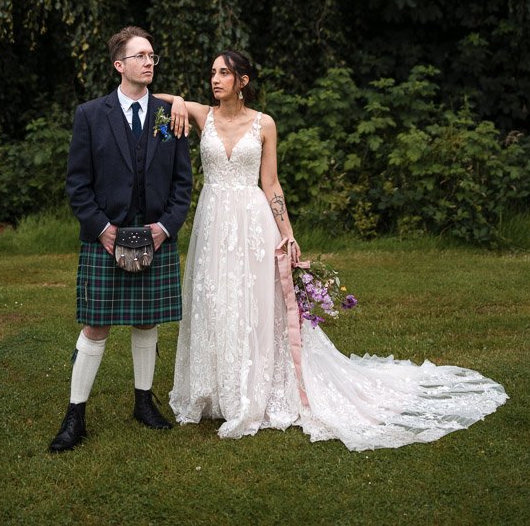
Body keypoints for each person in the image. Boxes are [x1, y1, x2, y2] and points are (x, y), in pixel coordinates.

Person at [162, 50, 508, 448]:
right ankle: (213, 389)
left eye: (224, 73)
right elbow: (154, 97)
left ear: (243, 80)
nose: (215, 79)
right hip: (213, 221)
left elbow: (271, 183)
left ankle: (251, 388)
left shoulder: (264, 124)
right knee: (215, 298)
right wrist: (177, 105)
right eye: (212, 73)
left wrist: (287, 234)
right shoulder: (203, 115)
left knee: (254, 304)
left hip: (252, 221)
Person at [48, 27, 193, 453]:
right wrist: (103, 229)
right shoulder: (91, 114)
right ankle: (75, 414)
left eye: (153, 56)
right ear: (120, 65)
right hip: (104, 235)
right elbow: (77, 184)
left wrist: (165, 228)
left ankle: (144, 403)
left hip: (156, 233)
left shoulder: (169, 115)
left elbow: (182, 184)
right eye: (141, 56)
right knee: (96, 325)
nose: (150, 62)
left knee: (147, 319)